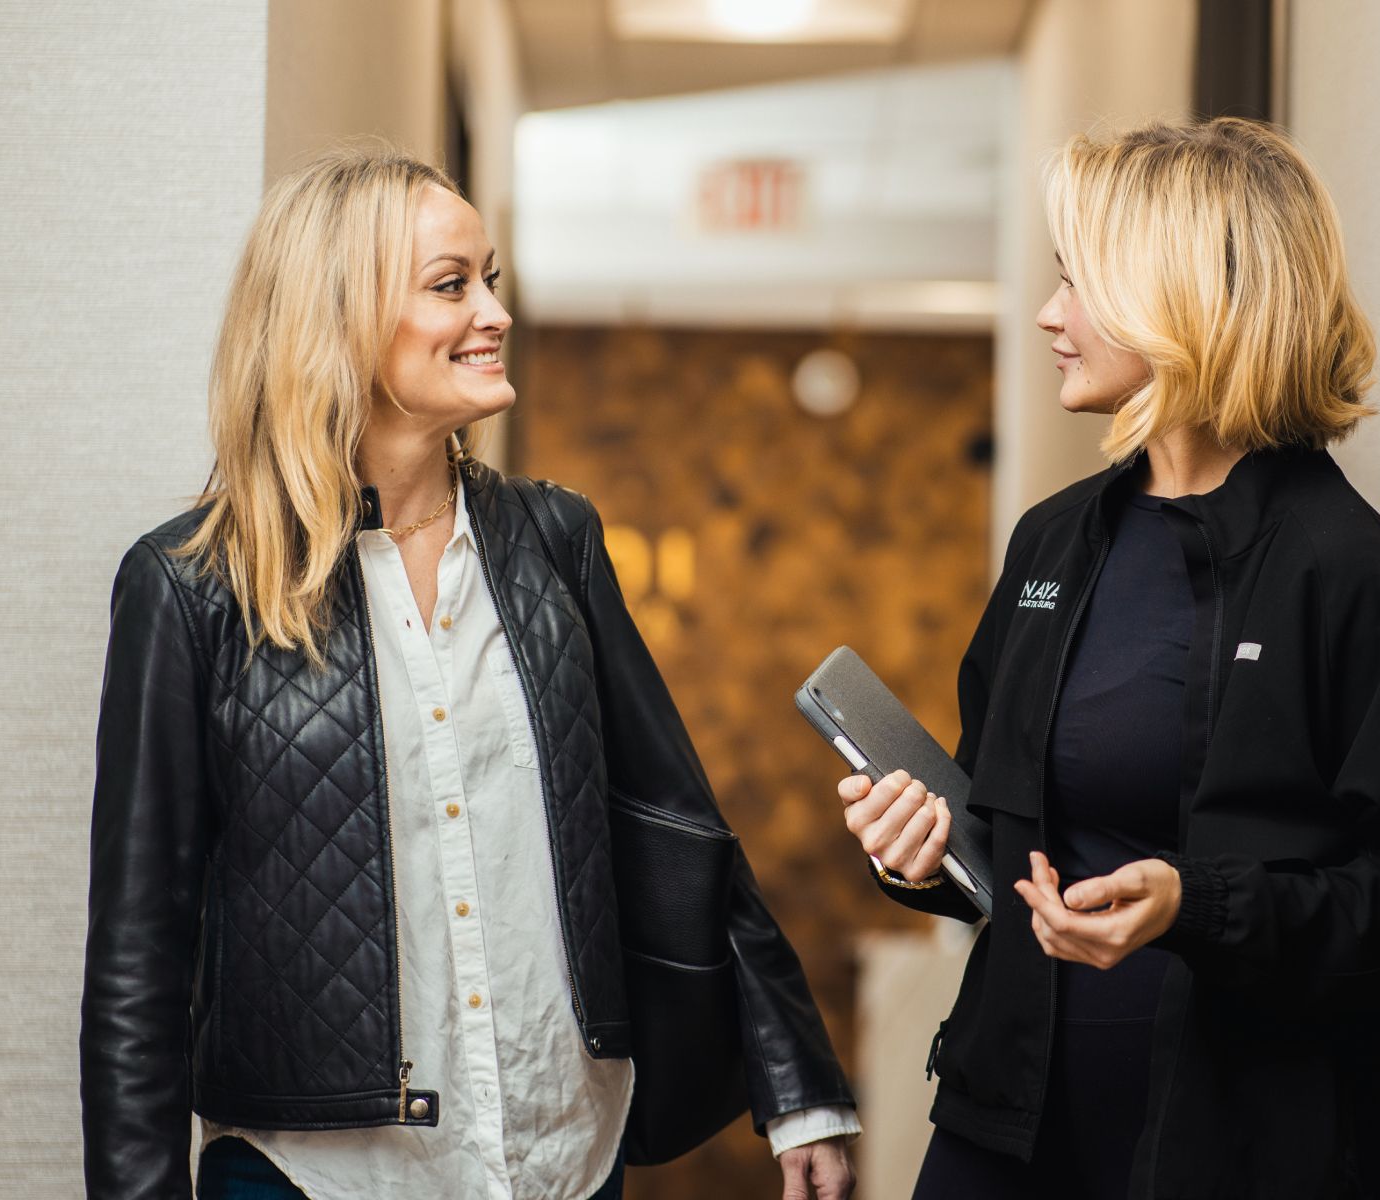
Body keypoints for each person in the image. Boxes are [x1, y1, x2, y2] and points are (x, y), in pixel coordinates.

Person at [82, 145, 859, 1200]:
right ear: (338, 320)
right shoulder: (189, 589)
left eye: (488, 278)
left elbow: (674, 825)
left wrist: (795, 1081)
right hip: (313, 1174)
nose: (493, 312)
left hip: (559, 1156)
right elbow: (141, 951)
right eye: (452, 286)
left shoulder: (555, 540)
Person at [836, 117, 1380, 1198]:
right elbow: (1004, 837)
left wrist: (1199, 905)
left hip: (1235, 1153)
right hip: (1006, 1132)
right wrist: (920, 852)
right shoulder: (1052, 542)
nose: (1049, 314)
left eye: (1080, 282)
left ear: (1190, 298)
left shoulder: (1345, 569)